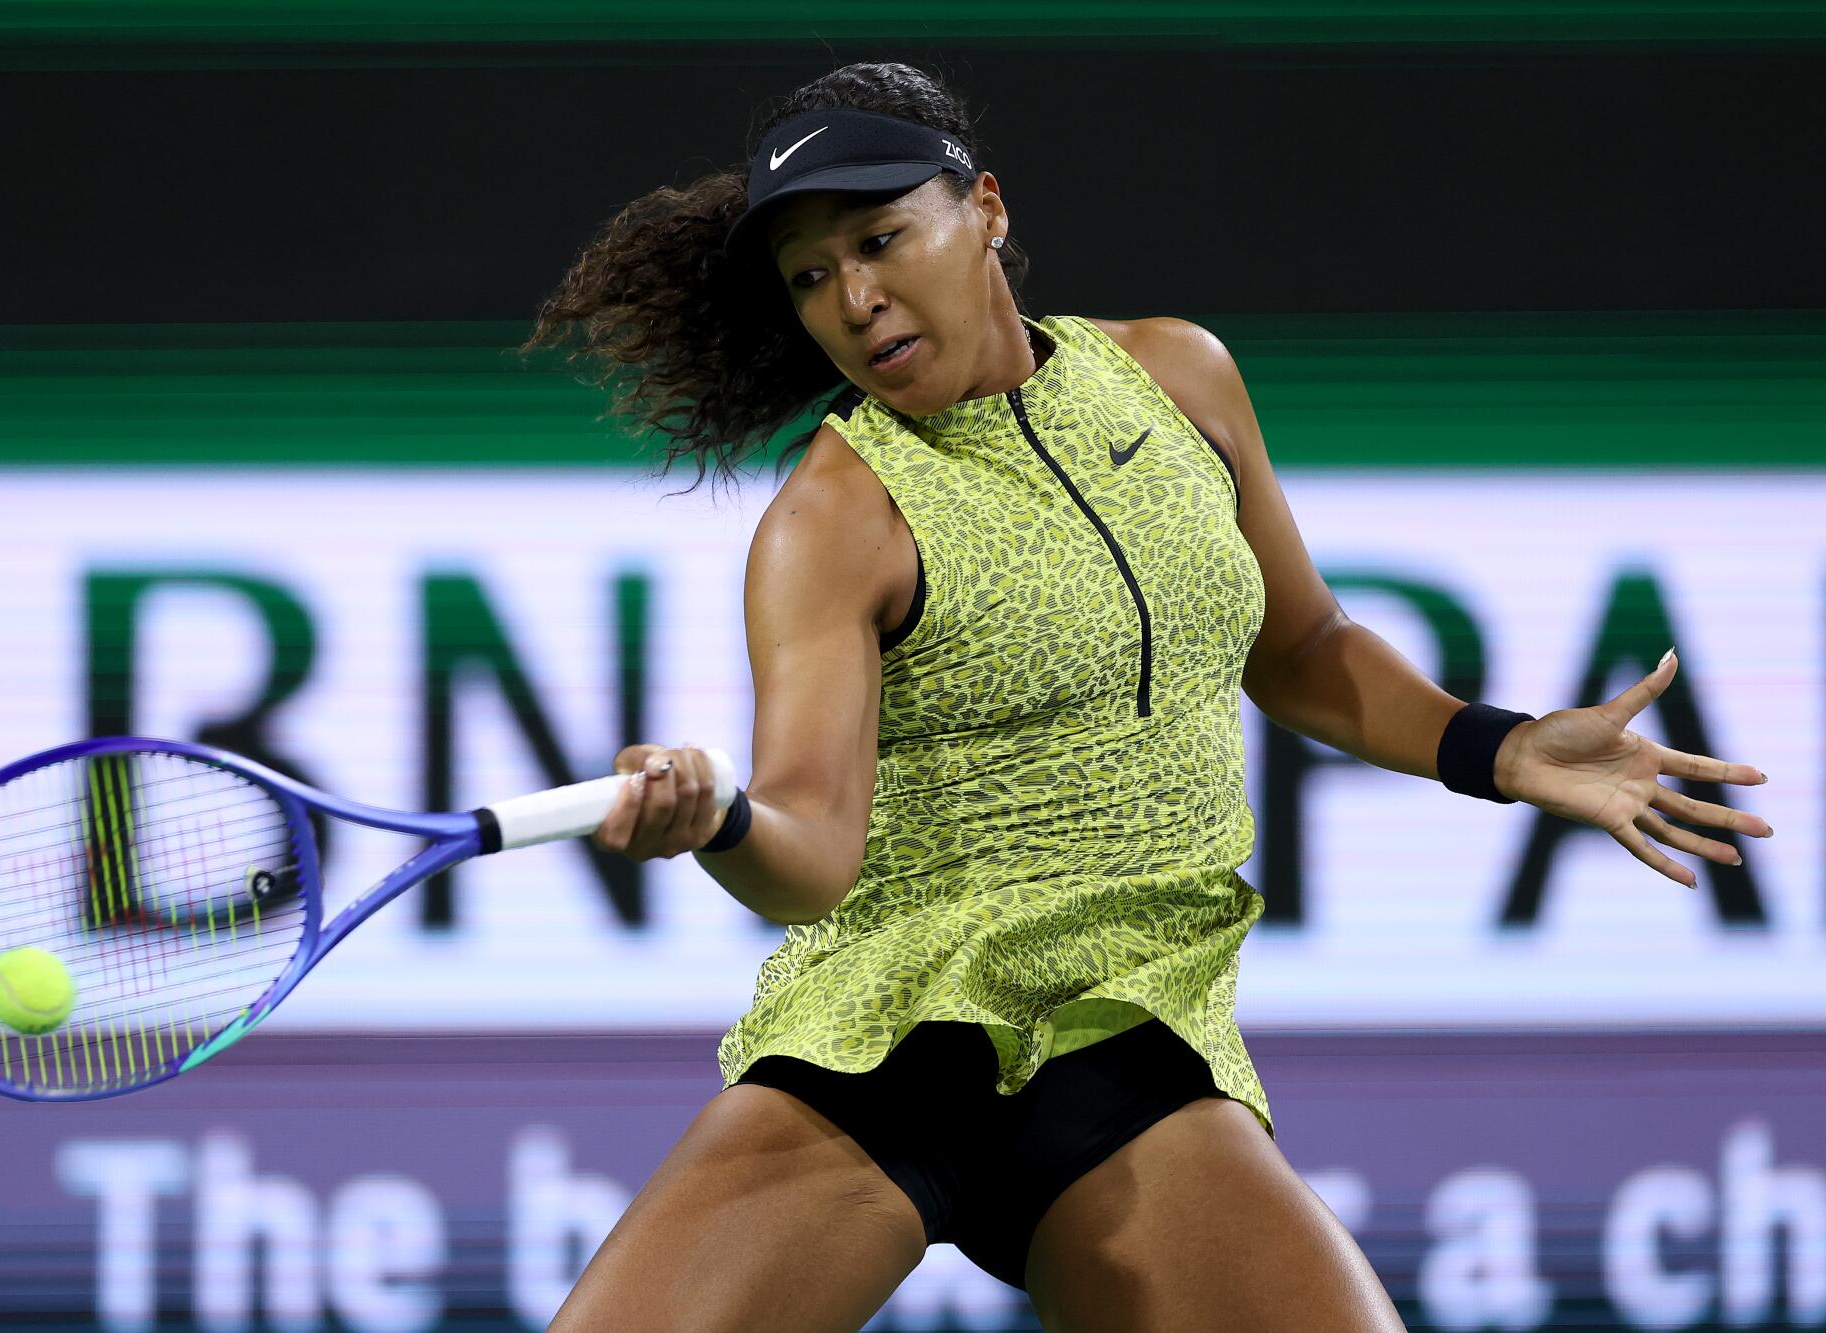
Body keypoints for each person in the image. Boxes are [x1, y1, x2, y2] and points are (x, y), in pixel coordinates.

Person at [523, 61, 1771, 1333]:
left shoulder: (1176, 379)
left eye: (879, 238)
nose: (854, 297)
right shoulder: (833, 519)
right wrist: (720, 819)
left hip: (1123, 1048)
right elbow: (811, 851)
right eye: (808, 275)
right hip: (883, 1050)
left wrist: (1490, 746)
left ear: (985, 210)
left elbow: (1300, 644)